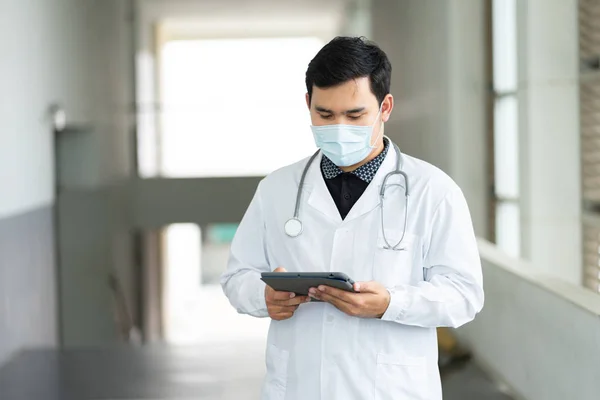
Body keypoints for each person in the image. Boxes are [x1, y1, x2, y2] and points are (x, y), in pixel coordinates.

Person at [220, 36, 484, 400]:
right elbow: (237, 276)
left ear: (385, 107)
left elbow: (464, 294)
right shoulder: (277, 189)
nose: (338, 127)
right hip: (299, 387)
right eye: (324, 114)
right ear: (308, 104)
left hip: (391, 390)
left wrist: (392, 303)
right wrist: (262, 295)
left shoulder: (433, 191)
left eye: (355, 114)